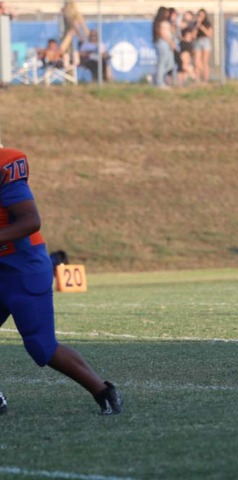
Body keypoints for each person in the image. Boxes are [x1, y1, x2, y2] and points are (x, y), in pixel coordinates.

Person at [0, 146, 122, 415]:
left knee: (41, 346)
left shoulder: (4, 164)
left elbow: (31, 220)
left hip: (21, 267)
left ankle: (103, 392)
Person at [152, 6, 176, 88]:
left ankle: (157, 77)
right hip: (163, 43)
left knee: (170, 64)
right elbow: (163, 34)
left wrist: (172, 22)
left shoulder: (167, 22)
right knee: (162, 63)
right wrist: (171, 43)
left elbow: (172, 32)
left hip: (168, 43)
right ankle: (159, 82)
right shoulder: (160, 22)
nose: (168, 14)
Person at [193, 8, 213, 83]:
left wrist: (202, 27)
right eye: (199, 15)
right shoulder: (195, 23)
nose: (200, 16)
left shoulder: (207, 23)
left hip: (205, 41)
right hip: (197, 41)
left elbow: (209, 34)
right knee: (197, 61)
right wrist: (197, 26)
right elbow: (193, 35)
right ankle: (197, 78)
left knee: (204, 61)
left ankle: (205, 78)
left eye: (202, 15)